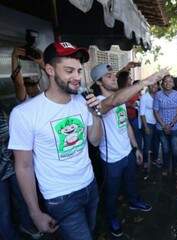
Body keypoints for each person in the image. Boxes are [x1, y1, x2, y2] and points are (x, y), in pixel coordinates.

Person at [8, 42, 102, 239]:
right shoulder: (24, 113)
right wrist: (34, 212)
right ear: (50, 70)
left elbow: (95, 141)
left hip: (90, 185)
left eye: (78, 70)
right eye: (69, 70)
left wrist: (95, 114)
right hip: (60, 197)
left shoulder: (82, 102)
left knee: (92, 230)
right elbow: (24, 166)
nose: (77, 77)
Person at [90, 63, 166, 237]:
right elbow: (114, 101)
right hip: (111, 160)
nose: (114, 77)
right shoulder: (99, 103)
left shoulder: (120, 98)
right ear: (99, 82)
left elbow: (126, 126)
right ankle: (112, 218)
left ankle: (134, 201)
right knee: (112, 193)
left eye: (114, 75)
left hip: (127, 153)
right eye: (109, 76)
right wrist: (144, 82)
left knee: (132, 182)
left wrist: (136, 148)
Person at [0, 106, 40, 240]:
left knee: (23, 197)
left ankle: (27, 225)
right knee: (3, 212)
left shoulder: (2, 112)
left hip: (10, 165)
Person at [154, 75, 177, 176]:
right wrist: (164, 125)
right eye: (165, 81)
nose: (168, 83)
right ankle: (165, 168)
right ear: (162, 83)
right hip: (161, 127)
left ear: (173, 83)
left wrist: (170, 124)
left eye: (170, 81)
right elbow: (156, 111)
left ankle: (175, 169)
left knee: (175, 149)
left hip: (174, 126)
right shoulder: (158, 95)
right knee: (165, 149)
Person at [139, 82, 160, 174]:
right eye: (152, 85)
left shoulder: (159, 96)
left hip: (158, 123)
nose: (154, 87)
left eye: (155, 85)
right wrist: (146, 127)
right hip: (148, 123)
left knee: (156, 142)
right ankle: (145, 162)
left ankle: (155, 159)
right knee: (147, 144)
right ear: (148, 86)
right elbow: (142, 113)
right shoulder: (144, 97)